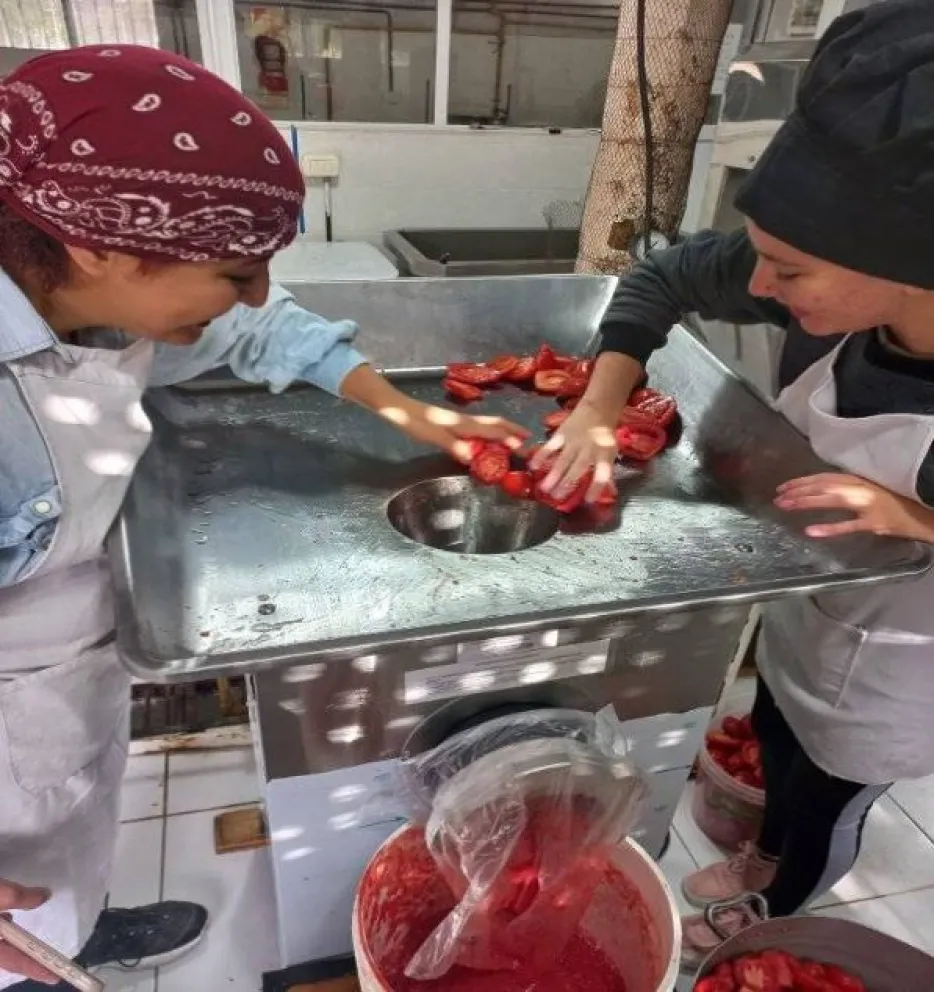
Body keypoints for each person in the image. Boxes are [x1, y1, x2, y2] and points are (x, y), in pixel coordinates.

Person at [0, 45, 526, 989]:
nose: (251, 296)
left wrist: (417, 413)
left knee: (60, 866)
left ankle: (79, 925)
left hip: (58, 681)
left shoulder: (85, 287)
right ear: (101, 248)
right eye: (233, 272)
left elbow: (259, 326)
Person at [531, 0, 934, 969]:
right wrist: (596, 404)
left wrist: (916, 514)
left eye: (788, 271)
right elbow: (656, 283)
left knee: (827, 795)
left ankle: (778, 905)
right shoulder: (826, 283)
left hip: (892, 676)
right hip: (805, 611)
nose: (757, 285)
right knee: (776, 735)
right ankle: (758, 849)